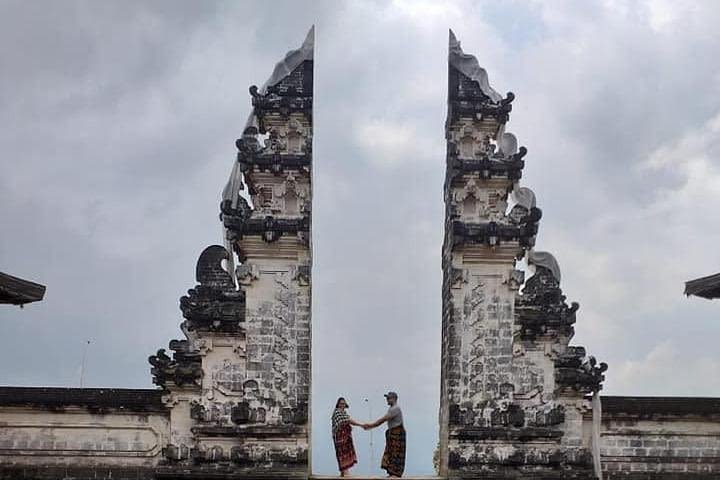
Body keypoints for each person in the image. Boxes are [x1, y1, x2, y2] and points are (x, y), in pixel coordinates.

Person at [363, 391, 406, 478]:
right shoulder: (392, 408)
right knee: (391, 452)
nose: (387, 400)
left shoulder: (395, 409)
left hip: (397, 433)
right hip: (393, 432)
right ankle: (391, 472)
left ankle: (395, 473)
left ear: (394, 399)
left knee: (396, 453)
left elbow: (382, 420)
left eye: (388, 398)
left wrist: (370, 425)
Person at [331, 397, 362, 476]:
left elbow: (348, 420)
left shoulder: (344, 413)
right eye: (341, 403)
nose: (342, 405)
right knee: (342, 454)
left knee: (346, 453)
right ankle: (345, 472)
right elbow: (347, 421)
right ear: (338, 404)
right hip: (340, 437)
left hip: (346, 437)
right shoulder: (337, 412)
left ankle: (343, 472)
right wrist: (361, 425)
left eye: (344, 404)